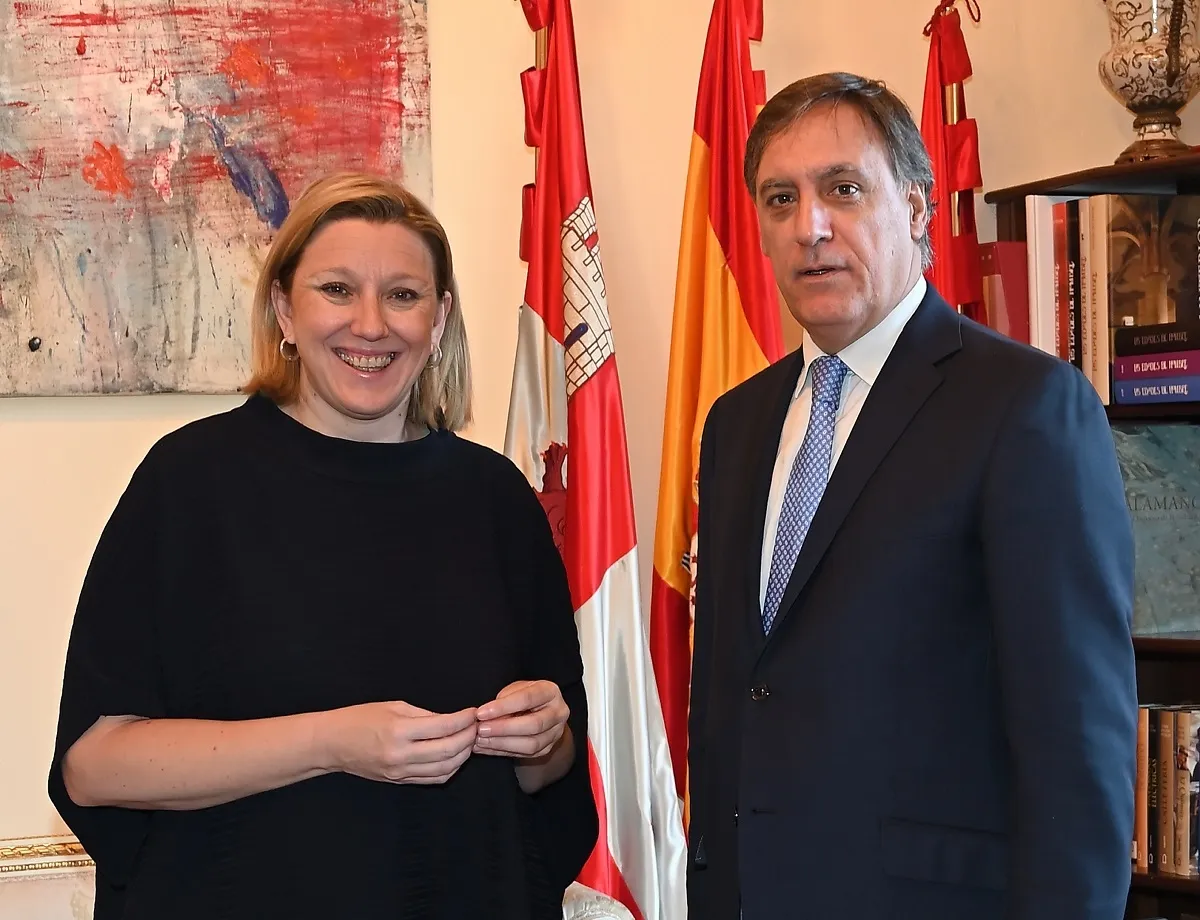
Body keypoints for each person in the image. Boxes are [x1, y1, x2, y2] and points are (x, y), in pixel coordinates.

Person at [48, 172, 598, 919]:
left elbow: (550, 778)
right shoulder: (188, 485)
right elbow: (94, 766)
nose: (370, 324)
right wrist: (332, 742)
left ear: (438, 322)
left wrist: (539, 738)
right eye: (337, 289)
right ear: (284, 308)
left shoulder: (495, 497)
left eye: (402, 295)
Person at [685, 72, 1137, 920]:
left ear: (920, 208)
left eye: (843, 190)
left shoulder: (1023, 406)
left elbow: (1075, 746)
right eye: (780, 199)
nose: (809, 227)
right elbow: (734, 699)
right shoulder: (737, 423)